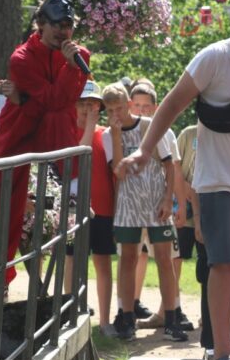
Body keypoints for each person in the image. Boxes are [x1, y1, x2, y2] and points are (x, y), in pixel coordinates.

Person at [119, 0, 230, 360]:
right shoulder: (213, 58)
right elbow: (171, 105)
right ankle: (220, 354)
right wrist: (145, 152)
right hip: (217, 182)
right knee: (224, 265)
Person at [0, 0, 89, 298]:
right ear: (41, 24)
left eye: (68, 26)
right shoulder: (21, 58)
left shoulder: (80, 56)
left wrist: (67, 71)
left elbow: (59, 103)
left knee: (73, 202)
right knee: (3, 201)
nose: (62, 32)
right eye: (56, 25)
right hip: (19, 131)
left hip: (56, 134)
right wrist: (30, 100)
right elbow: (53, 100)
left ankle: (61, 285)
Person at [103, 83, 186, 342]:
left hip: (154, 201)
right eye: (111, 110)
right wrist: (116, 137)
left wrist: (167, 198)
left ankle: (172, 317)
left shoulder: (150, 125)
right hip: (128, 204)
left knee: (163, 258)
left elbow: (169, 165)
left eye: (120, 107)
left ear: (128, 104)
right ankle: (126, 316)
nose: (116, 113)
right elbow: (119, 170)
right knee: (128, 258)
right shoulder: (108, 135)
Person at [128, 80, 193, 332]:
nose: (142, 110)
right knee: (131, 258)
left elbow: (175, 169)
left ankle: (172, 311)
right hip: (132, 210)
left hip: (159, 209)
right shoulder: (123, 132)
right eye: (137, 105)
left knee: (168, 259)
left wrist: (179, 205)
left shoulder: (166, 133)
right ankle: (127, 311)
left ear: (156, 108)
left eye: (147, 106)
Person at [63, 81, 117, 336]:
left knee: (103, 262)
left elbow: (115, 170)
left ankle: (105, 321)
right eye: (82, 104)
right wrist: (90, 127)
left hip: (103, 208)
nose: (87, 110)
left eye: (92, 104)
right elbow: (79, 154)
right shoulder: (66, 133)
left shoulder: (105, 134)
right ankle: (70, 314)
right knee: (72, 260)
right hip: (74, 208)